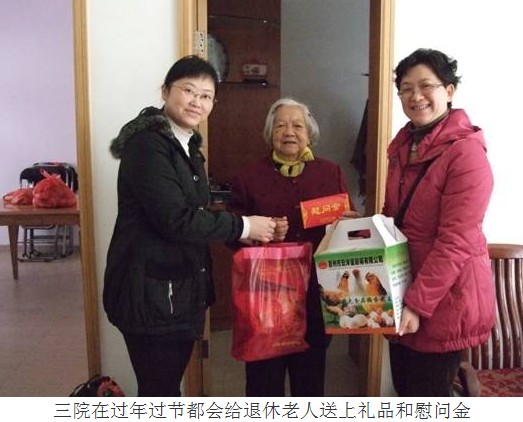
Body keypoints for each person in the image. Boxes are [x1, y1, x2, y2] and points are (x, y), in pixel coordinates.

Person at [102, 55, 277, 397]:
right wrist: (243, 226)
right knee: (161, 390)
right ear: (165, 91)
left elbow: (194, 211)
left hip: (174, 291)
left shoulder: (187, 144)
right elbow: (176, 219)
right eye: (188, 90)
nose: (197, 101)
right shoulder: (148, 145)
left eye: (206, 95)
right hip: (150, 293)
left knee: (165, 386)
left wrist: (241, 228)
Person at [228, 97, 359, 397]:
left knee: (309, 383)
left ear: (309, 133)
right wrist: (260, 233)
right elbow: (232, 232)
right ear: (269, 134)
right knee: (263, 385)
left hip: (315, 296)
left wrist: (347, 224)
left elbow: (348, 228)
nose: (289, 132)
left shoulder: (330, 172)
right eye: (280, 126)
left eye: (297, 125)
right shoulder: (249, 177)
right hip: (265, 298)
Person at [383, 48, 495, 396]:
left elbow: (456, 241)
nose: (415, 96)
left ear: (449, 90)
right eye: (406, 88)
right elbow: (398, 218)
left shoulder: (466, 153)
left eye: (425, 86)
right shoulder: (404, 146)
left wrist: (417, 304)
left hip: (442, 303)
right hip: (403, 291)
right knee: (405, 393)